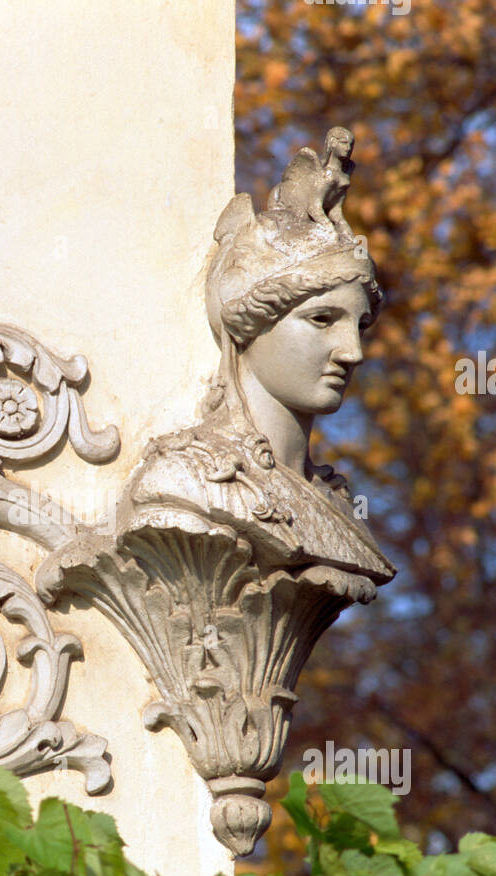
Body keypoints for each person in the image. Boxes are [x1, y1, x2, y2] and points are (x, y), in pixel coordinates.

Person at [120, 127, 395, 587]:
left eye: (360, 326)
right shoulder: (185, 481)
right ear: (249, 322)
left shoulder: (337, 506)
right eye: (323, 319)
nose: (353, 352)